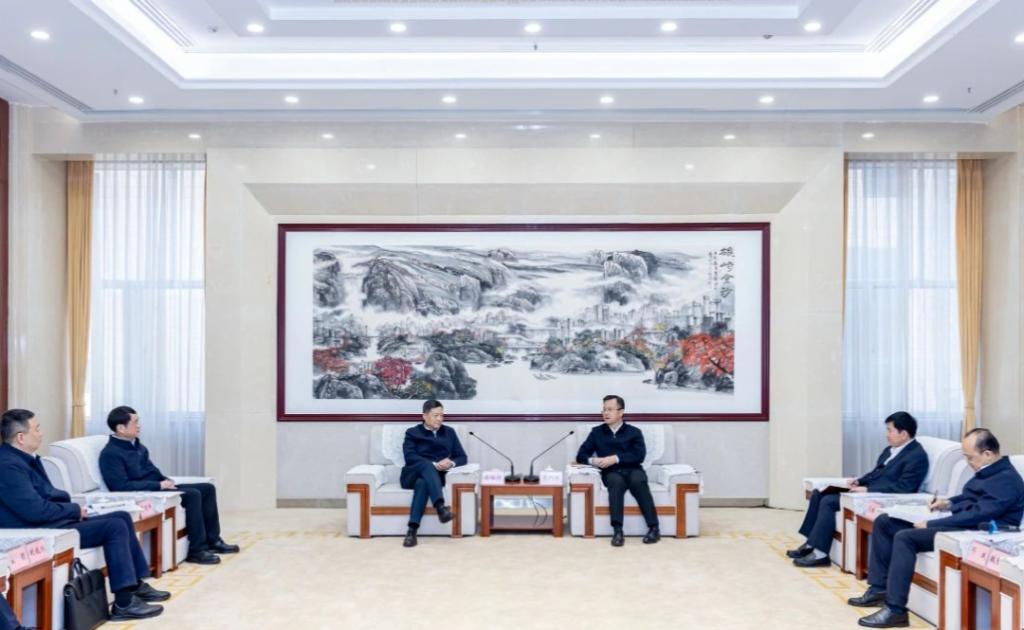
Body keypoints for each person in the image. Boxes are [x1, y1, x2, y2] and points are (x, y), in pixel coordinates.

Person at [0, 409, 168, 621]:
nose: (41, 433)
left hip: (54, 519)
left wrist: (75, 509)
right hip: (38, 527)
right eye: (37, 429)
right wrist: (75, 510)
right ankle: (124, 603)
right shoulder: (8, 466)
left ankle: (134, 585)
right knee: (114, 526)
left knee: (122, 517)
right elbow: (35, 511)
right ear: (20, 437)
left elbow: (47, 497)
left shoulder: (25, 459)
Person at [851, 428, 1024, 628]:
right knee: (885, 522)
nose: (968, 462)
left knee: (906, 537)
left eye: (970, 458)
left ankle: (896, 610)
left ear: (987, 454)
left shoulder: (1006, 479)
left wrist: (931, 524)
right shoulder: (989, 470)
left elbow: (978, 514)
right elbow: (970, 496)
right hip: (963, 521)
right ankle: (879, 589)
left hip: (977, 530)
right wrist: (948, 503)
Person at [99, 406, 239, 565]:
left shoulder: (137, 446)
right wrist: (159, 485)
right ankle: (197, 550)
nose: (139, 425)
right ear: (121, 428)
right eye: (135, 422)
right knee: (192, 494)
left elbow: (152, 470)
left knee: (207, 488)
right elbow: (120, 486)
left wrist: (167, 482)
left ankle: (213, 540)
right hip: (144, 494)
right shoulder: (110, 454)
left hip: (157, 488)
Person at [789, 411, 928, 568]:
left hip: (881, 497)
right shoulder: (890, 450)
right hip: (868, 490)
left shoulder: (917, 456)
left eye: (890, 430)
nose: (886, 434)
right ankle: (810, 544)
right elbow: (876, 473)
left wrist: (867, 489)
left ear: (903, 434)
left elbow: (905, 487)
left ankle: (820, 554)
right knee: (819, 493)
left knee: (828, 501)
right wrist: (858, 481)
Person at [575, 394, 659, 546]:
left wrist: (616, 458)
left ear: (621, 412)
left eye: (610, 409)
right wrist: (594, 461)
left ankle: (654, 528)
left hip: (633, 469)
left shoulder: (634, 432)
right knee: (616, 482)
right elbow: (581, 455)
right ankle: (618, 530)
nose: (605, 413)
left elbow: (639, 455)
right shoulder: (596, 432)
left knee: (638, 482)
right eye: (604, 410)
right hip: (611, 472)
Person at [399, 400, 467, 548]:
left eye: (442, 415)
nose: (440, 419)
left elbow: (462, 457)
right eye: (436, 415)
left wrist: (451, 463)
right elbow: (410, 457)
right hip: (412, 475)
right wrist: (434, 464)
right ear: (424, 416)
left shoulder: (449, 432)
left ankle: (412, 531)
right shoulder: (412, 432)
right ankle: (440, 507)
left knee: (423, 483)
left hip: (435, 478)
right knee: (426, 465)